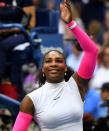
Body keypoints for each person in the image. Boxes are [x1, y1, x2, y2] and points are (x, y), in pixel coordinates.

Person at [12, 0, 98, 130]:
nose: (53, 64)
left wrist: (71, 24)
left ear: (65, 67)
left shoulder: (76, 85)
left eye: (58, 60)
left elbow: (92, 51)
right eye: (48, 61)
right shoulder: (31, 100)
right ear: (43, 69)